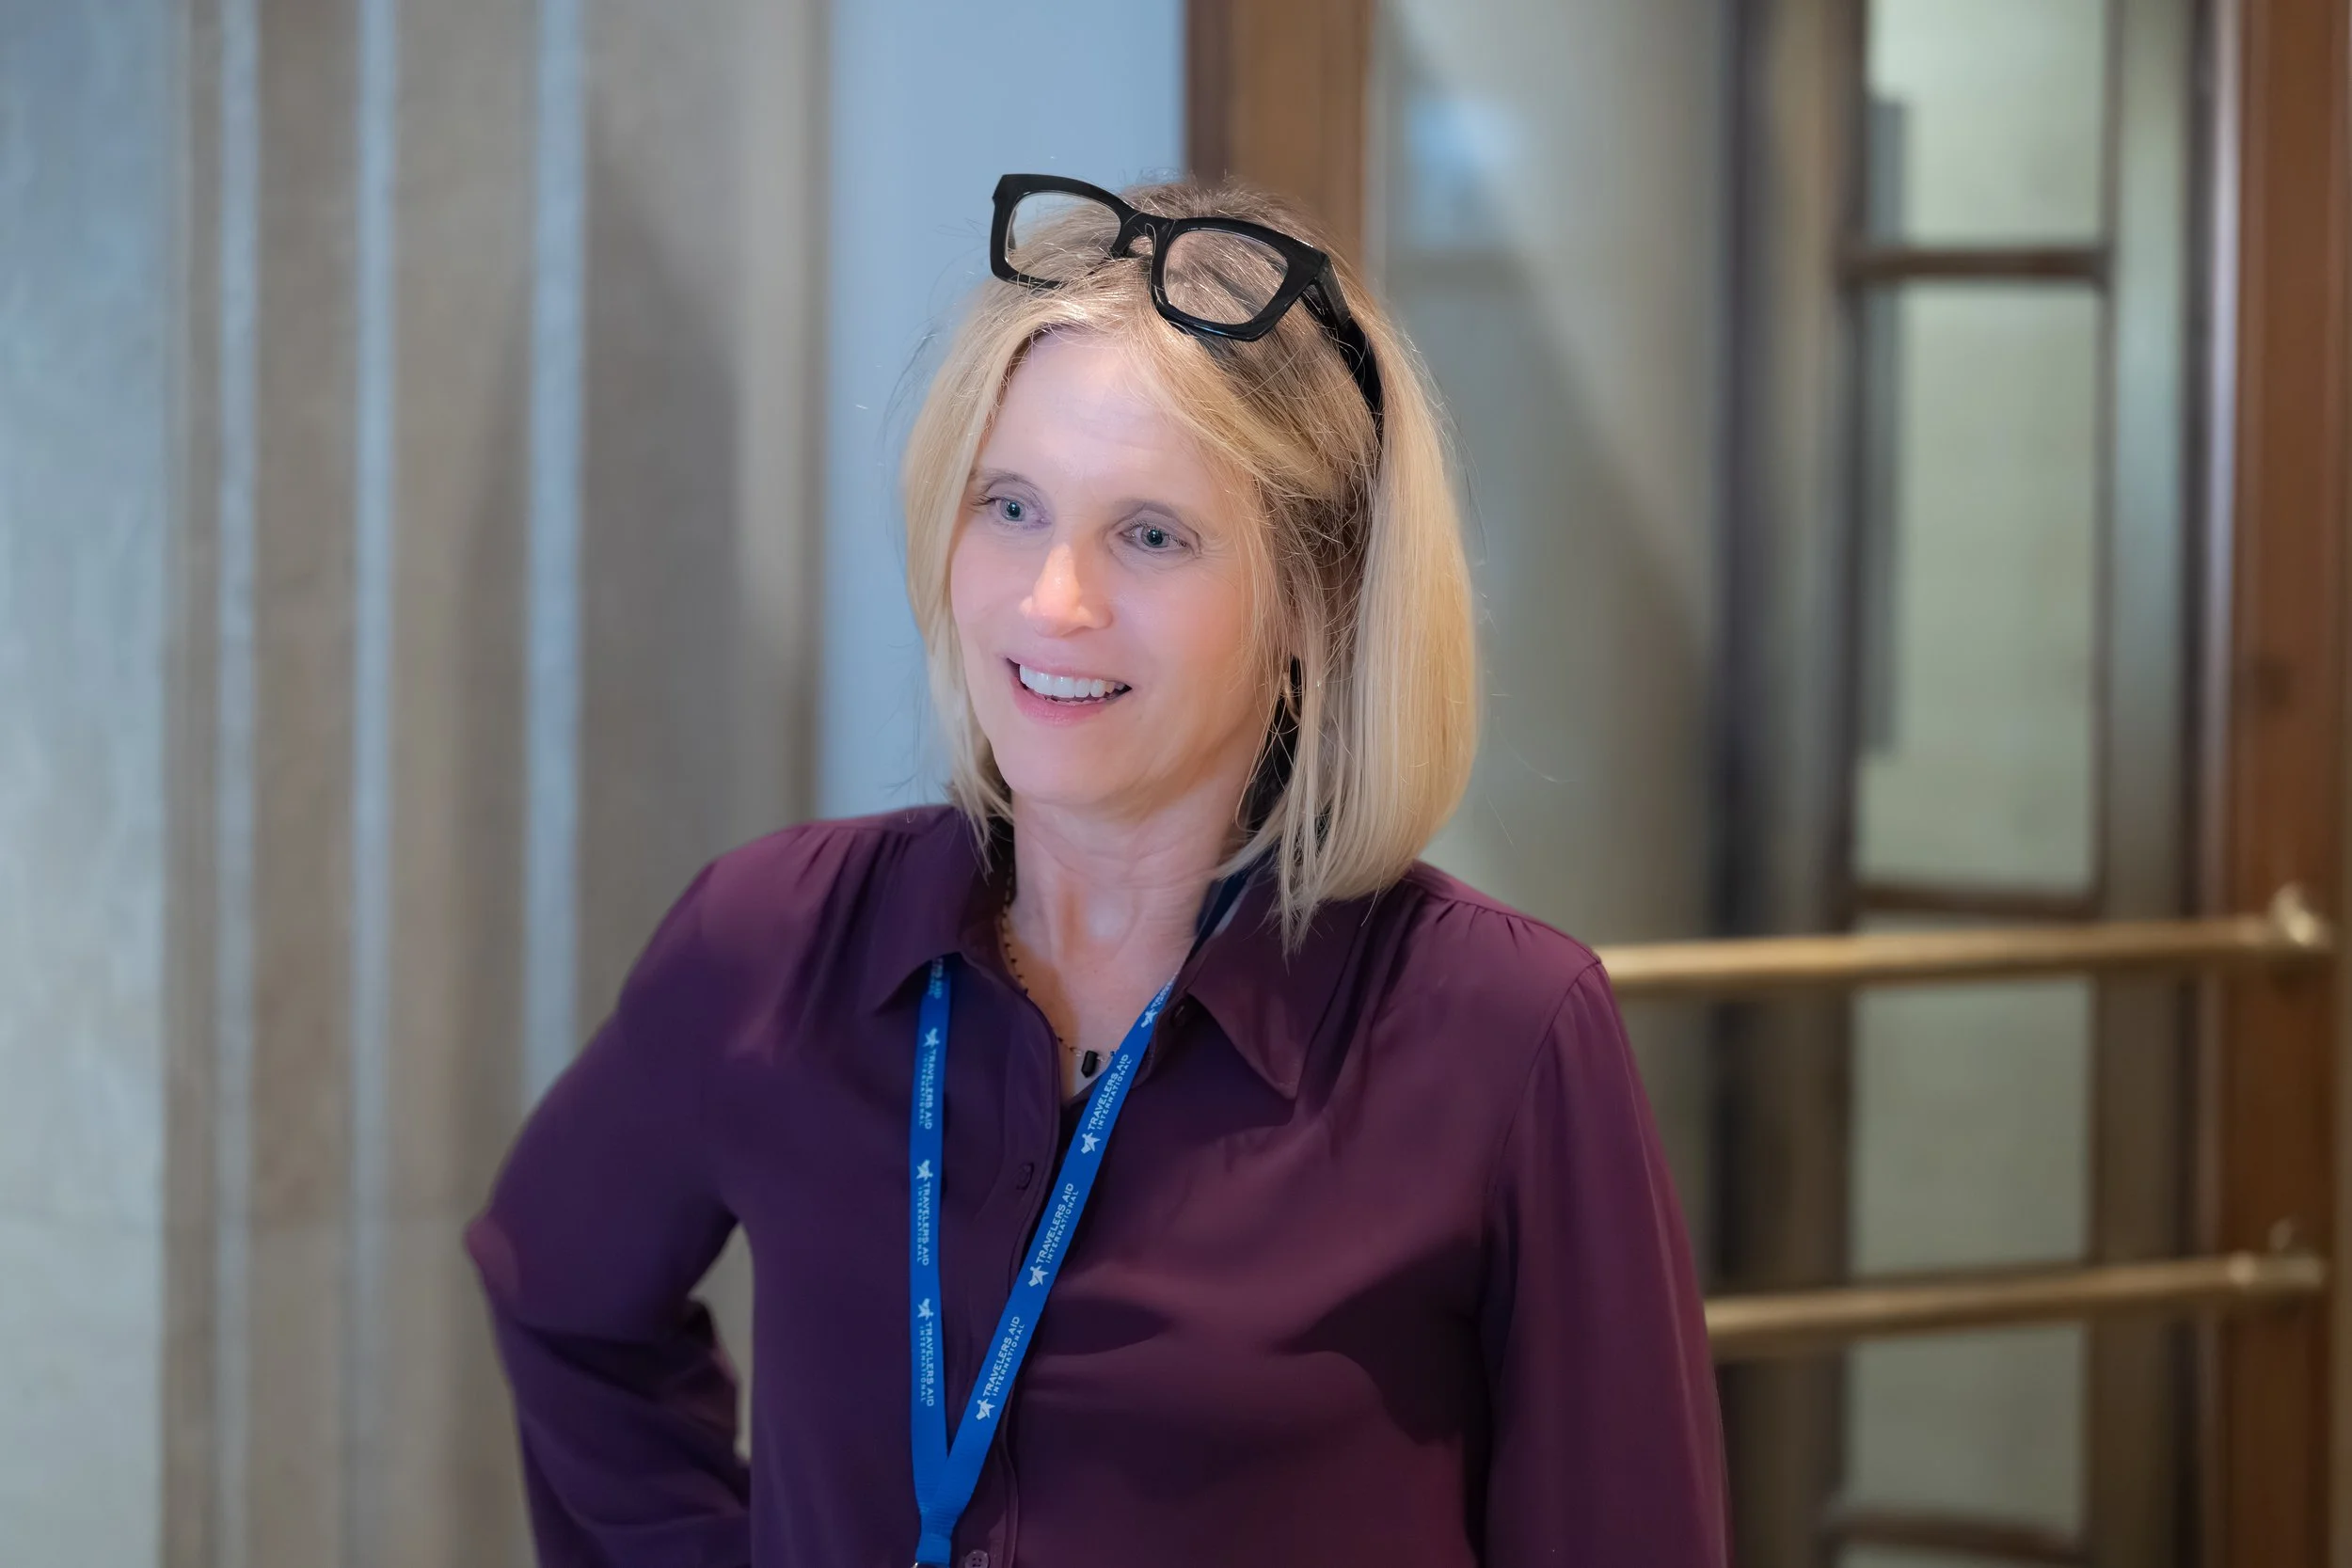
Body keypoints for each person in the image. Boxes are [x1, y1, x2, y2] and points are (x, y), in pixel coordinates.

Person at [466, 173, 1726, 1568]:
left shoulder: (1506, 1034)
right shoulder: (770, 943)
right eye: (1008, 506)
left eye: (1150, 535)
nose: (1050, 600)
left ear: (1318, 603)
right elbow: (559, 1292)